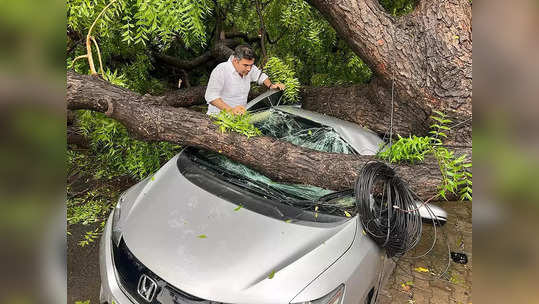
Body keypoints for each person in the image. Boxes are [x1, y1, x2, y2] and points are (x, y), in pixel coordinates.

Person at [205, 45, 286, 115]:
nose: (249, 69)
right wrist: (230, 110)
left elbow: (261, 76)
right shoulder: (221, 70)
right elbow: (211, 96)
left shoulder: (250, 68)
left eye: (251, 65)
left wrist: (271, 86)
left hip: (239, 119)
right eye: (245, 65)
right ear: (236, 60)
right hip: (217, 119)